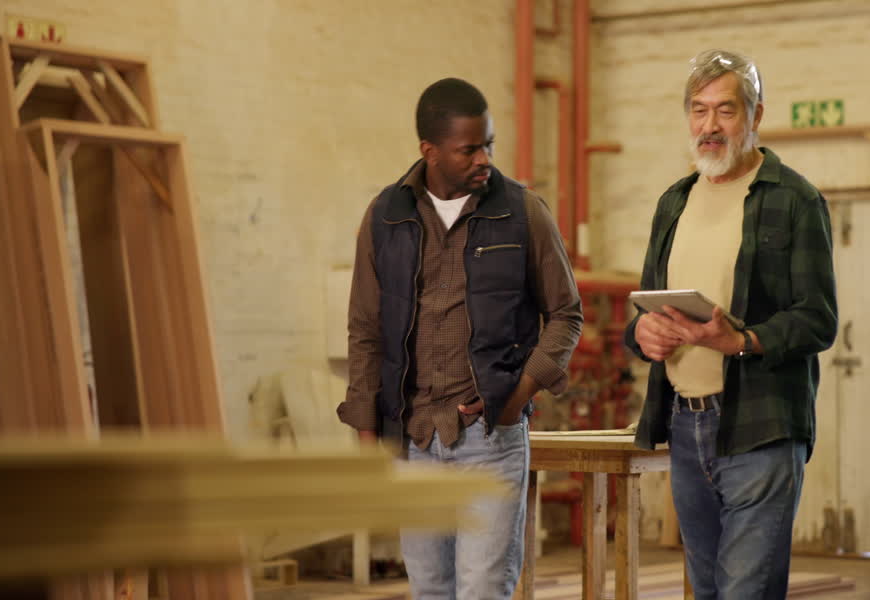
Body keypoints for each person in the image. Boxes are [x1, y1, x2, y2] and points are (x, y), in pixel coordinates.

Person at [337, 77, 582, 599]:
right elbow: (364, 330)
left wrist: (518, 398)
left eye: (489, 144)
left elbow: (566, 314)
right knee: (430, 590)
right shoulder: (385, 218)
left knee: (484, 589)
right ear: (429, 151)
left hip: (490, 439)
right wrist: (366, 434)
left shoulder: (522, 212)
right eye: (469, 149)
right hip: (414, 439)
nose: (484, 159)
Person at [625, 49, 838, 599]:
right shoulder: (674, 202)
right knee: (708, 588)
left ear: (755, 116)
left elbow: (818, 320)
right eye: (698, 111)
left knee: (746, 591)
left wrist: (740, 340)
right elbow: (644, 309)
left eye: (725, 111)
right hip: (684, 423)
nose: (709, 127)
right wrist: (640, 335)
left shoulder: (795, 200)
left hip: (760, 428)